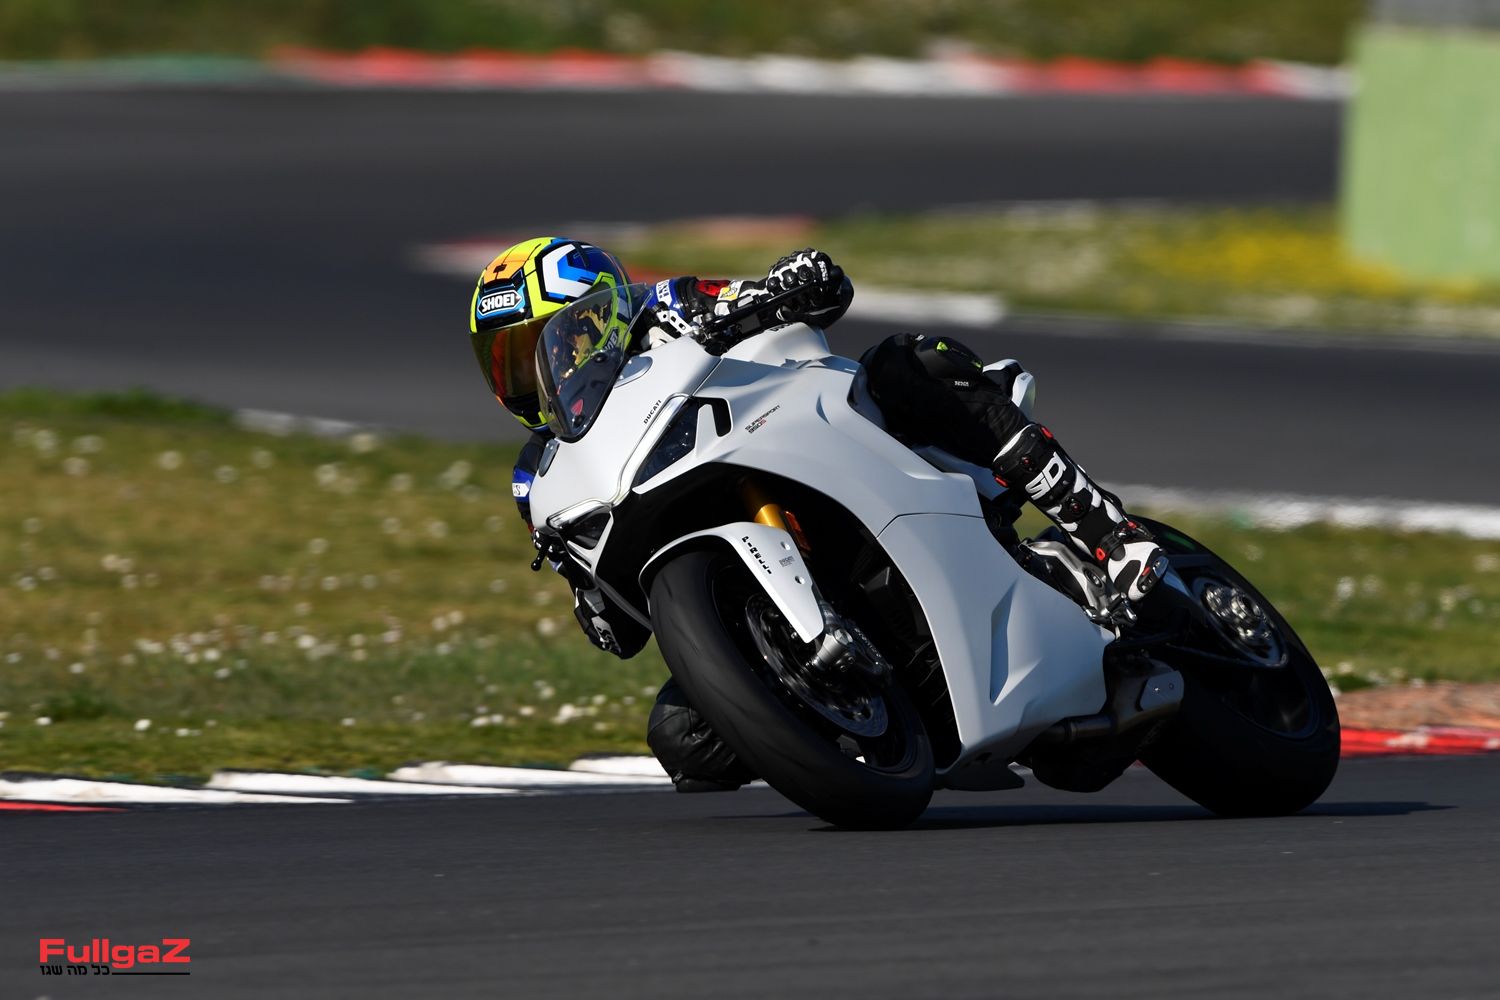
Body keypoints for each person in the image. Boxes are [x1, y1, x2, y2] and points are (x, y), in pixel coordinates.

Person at [469, 237, 1165, 790]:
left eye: (542, 347)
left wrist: (787, 283)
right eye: (509, 363)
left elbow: (814, 290)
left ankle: (1108, 533)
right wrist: (587, 590)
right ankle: (859, 722)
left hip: (807, 441)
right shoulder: (542, 474)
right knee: (681, 738)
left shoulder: (670, 307)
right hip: (728, 555)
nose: (532, 376)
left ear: (598, 317)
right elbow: (621, 634)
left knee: (907, 363)